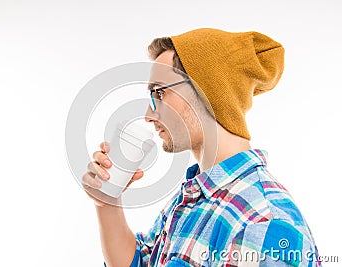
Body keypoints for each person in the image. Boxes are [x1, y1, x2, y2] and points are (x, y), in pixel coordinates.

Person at [81, 28, 321, 266]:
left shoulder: (262, 224)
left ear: (206, 89)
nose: (148, 114)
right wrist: (107, 203)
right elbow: (141, 261)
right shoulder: (193, 199)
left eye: (159, 93)